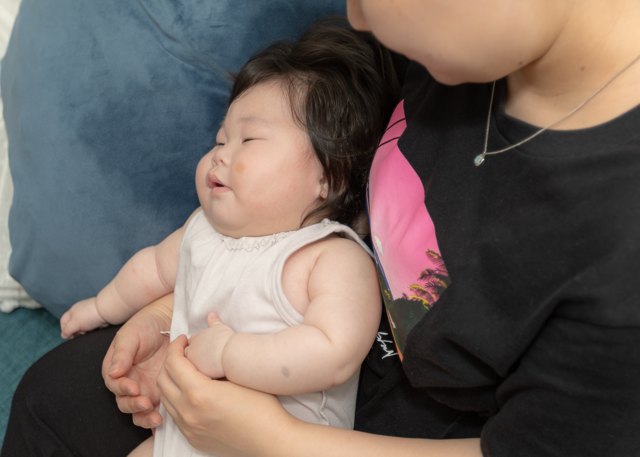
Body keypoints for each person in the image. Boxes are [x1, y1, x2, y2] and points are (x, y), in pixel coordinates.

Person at [2, 1, 640, 456]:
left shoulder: (617, 243)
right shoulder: (453, 45)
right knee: (52, 399)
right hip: (275, 327)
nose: (355, 15)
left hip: (413, 427)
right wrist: (182, 312)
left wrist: (274, 440)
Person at [56, 20, 398, 457]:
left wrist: (231, 354)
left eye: (248, 139)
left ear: (329, 176)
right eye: (220, 139)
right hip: (183, 435)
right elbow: (152, 268)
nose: (220, 154)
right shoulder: (202, 230)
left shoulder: (330, 257)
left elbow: (334, 353)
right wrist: (100, 308)